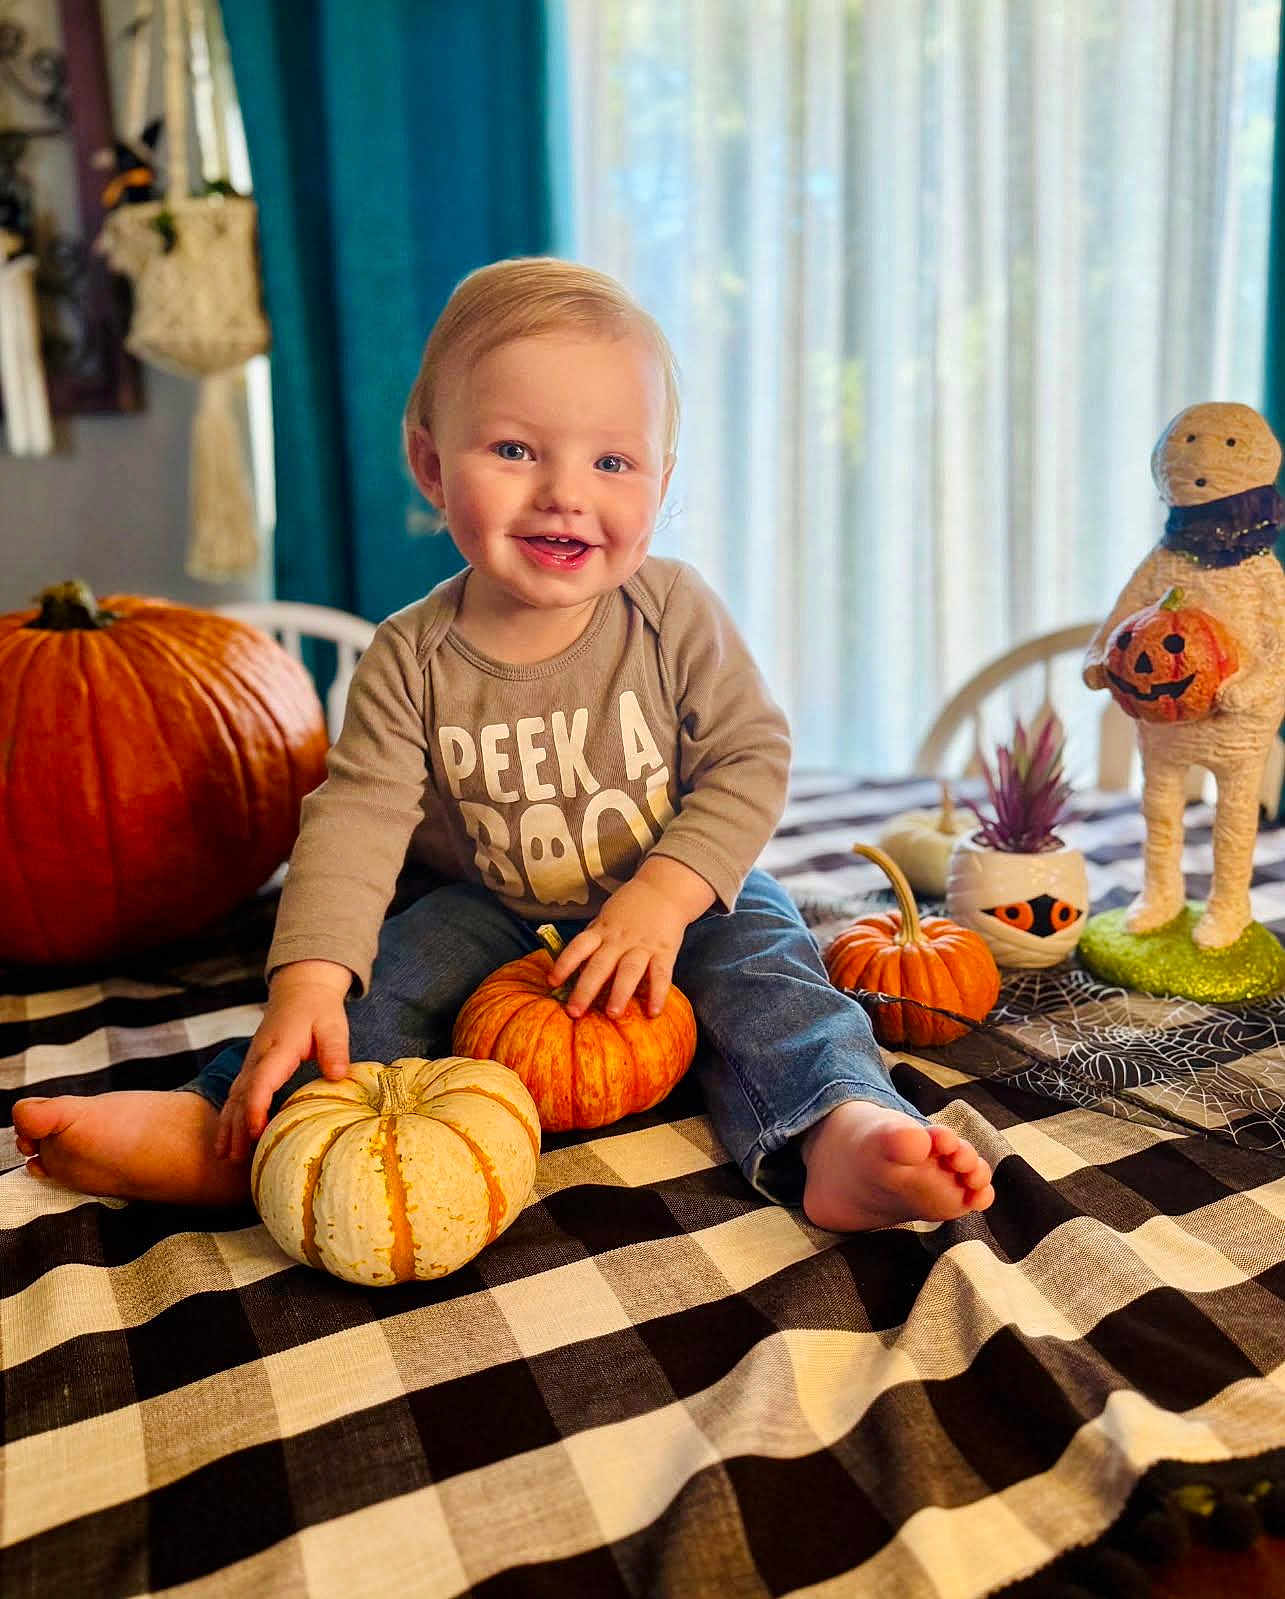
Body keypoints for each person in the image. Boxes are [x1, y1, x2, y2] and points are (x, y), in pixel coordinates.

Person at [13, 258, 994, 1232]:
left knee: (771, 971)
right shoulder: (410, 656)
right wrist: (307, 976)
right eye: (517, 450)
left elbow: (749, 759)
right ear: (433, 467)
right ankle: (237, 1125)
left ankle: (836, 1130)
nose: (566, 494)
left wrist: (663, 897)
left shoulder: (674, 612)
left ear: (661, 481)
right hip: (486, 905)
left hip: (673, 886)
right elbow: (353, 825)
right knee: (382, 982)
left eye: (612, 462)